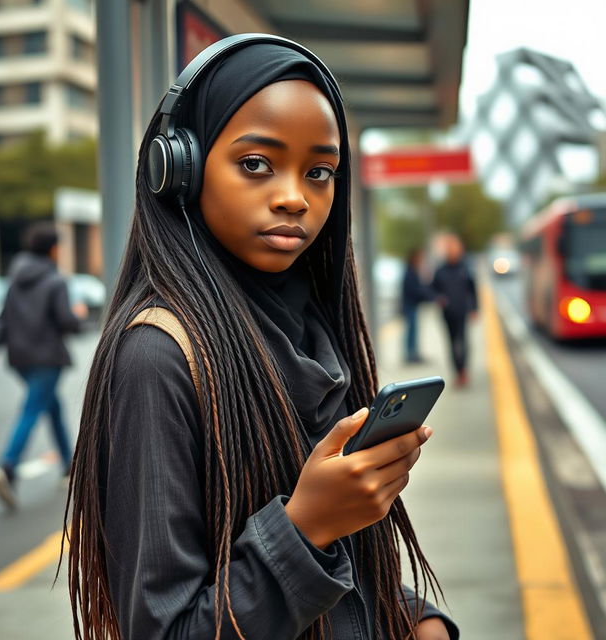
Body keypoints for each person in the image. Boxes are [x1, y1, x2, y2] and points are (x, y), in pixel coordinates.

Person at [63, 35, 459, 640]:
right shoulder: (159, 356)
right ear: (179, 170)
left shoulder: (307, 327)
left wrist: (411, 615)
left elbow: (339, 574)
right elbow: (166, 630)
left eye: (320, 171)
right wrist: (305, 528)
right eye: (256, 164)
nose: (295, 197)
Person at [0, 222, 87, 508]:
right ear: (53, 249)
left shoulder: (15, 279)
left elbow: (3, 317)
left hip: (20, 359)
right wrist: (78, 314)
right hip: (47, 358)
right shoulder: (55, 281)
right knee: (33, 409)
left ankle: (69, 465)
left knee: (52, 407)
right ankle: (7, 466)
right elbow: (67, 322)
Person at [431, 234, 478, 387]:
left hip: (462, 310)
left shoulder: (465, 268)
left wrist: (474, 308)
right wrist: (439, 298)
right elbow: (433, 289)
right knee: (451, 343)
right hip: (447, 313)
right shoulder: (440, 270)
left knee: (463, 341)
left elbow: (472, 289)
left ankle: (464, 370)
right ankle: (457, 371)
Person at [400, 248, 435, 363]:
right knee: (411, 331)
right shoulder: (410, 272)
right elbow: (415, 290)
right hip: (410, 305)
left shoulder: (412, 271)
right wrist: (428, 296)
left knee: (413, 330)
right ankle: (411, 354)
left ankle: (413, 353)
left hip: (412, 305)